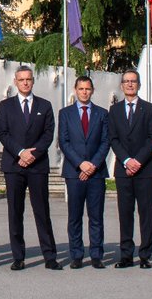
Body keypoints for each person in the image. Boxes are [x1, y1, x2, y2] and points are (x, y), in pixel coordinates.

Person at [0, 65, 58, 270]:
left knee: (42, 211)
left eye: (28, 79)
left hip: (37, 165)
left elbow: (48, 134)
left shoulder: (45, 105)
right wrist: (20, 152)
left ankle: (49, 256)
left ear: (32, 81)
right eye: (21, 79)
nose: (25, 82)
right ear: (15, 81)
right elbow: (3, 133)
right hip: (14, 165)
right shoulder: (5, 106)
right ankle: (18, 257)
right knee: (15, 212)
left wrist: (33, 154)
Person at [58, 75, 110, 269]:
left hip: (96, 173)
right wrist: (81, 164)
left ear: (92, 90)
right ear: (75, 89)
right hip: (74, 172)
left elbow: (106, 141)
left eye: (87, 89)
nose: (84, 92)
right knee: (75, 216)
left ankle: (96, 255)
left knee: (96, 216)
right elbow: (64, 142)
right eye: (81, 89)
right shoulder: (65, 113)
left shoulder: (102, 114)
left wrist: (92, 165)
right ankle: (77, 255)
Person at [109, 69, 152, 269]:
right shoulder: (114, 110)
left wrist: (137, 160)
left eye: (133, 81)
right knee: (125, 213)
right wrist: (127, 160)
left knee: (146, 213)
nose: (130, 85)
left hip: (146, 169)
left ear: (138, 85)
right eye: (126, 81)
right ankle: (126, 255)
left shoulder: (150, 108)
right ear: (121, 85)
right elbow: (113, 138)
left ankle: (145, 255)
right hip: (123, 169)